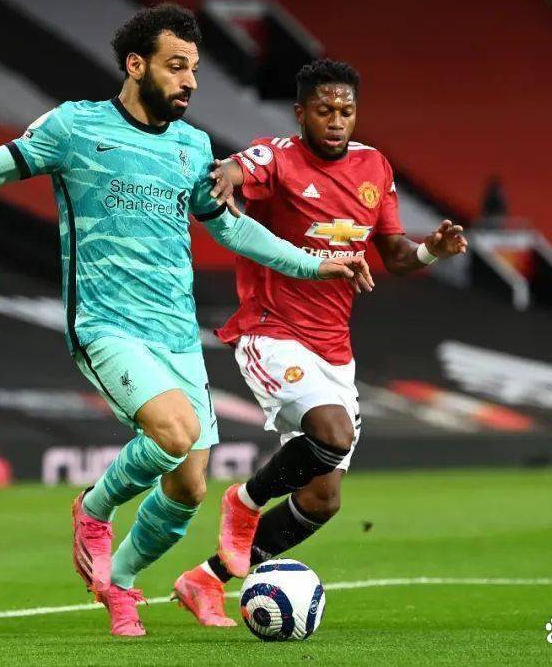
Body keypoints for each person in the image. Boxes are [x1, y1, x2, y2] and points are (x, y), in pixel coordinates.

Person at [0, 6, 371, 637]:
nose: (189, 81)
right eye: (176, 66)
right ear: (136, 65)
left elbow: (232, 228)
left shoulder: (192, 147)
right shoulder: (75, 127)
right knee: (175, 431)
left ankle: (121, 585)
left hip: (176, 332)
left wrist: (313, 264)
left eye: (194, 69)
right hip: (107, 324)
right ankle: (94, 508)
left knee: (189, 488)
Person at [169, 59, 469, 626]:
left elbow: (396, 255)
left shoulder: (373, 166)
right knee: (333, 433)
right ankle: (244, 503)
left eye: (346, 111)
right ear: (301, 113)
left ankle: (205, 580)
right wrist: (226, 177)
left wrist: (432, 250)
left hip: (335, 349)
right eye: (325, 110)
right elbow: (237, 167)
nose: (336, 121)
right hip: (272, 332)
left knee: (322, 499)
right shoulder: (278, 157)